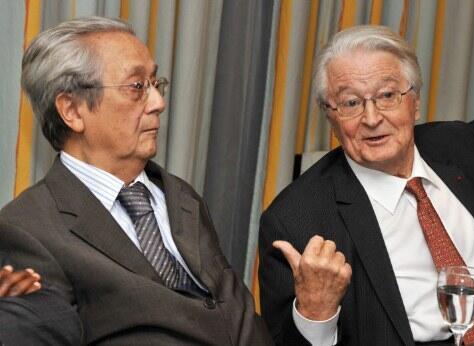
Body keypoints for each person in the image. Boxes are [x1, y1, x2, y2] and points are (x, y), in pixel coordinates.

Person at [0, 16, 271, 345]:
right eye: (137, 87)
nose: (159, 103)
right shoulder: (28, 229)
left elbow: (231, 312)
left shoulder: (180, 196)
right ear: (71, 110)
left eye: (156, 84)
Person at [259, 25, 474, 346]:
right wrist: (315, 312)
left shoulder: (463, 146)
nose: (372, 117)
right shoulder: (297, 220)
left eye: (388, 95)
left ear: (414, 102)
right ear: (330, 116)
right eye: (351, 103)